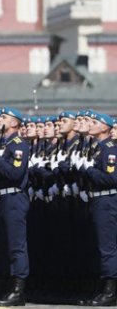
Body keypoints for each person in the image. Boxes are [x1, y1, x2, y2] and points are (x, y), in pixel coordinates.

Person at [0, 107, 30, 306]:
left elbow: (15, 174)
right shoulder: (4, 144)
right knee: (5, 245)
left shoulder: (18, 144)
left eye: (4, 117)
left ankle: (18, 290)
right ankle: (9, 286)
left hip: (14, 199)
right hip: (2, 199)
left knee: (16, 246)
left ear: (14, 123)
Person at [78, 111, 117, 306]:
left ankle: (110, 292)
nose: (91, 125)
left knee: (107, 247)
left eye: (95, 122)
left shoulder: (109, 149)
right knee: (102, 247)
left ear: (104, 127)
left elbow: (111, 178)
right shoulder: (98, 148)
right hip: (99, 201)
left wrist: (89, 170)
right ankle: (104, 287)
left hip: (107, 201)